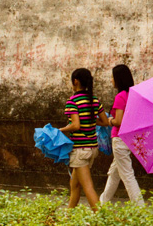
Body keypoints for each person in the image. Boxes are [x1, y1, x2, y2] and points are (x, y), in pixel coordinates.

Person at [59, 68, 110, 211]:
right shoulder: (94, 100)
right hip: (93, 148)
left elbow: (75, 125)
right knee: (74, 185)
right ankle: (69, 216)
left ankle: (102, 218)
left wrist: (60, 130)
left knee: (88, 187)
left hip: (80, 149)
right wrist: (91, 120)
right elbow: (105, 122)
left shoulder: (72, 101)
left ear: (75, 81)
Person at [99, 64, 144, 206]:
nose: (111, 80)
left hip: (119, 139)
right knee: (114, 173)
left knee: (127, 175)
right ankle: (103, 202)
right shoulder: (134, 95)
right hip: (130, 139)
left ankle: (140, 208)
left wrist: (108, 121)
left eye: (112, 77)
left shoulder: (120, 97)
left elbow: (118, 121)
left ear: (118, 79)